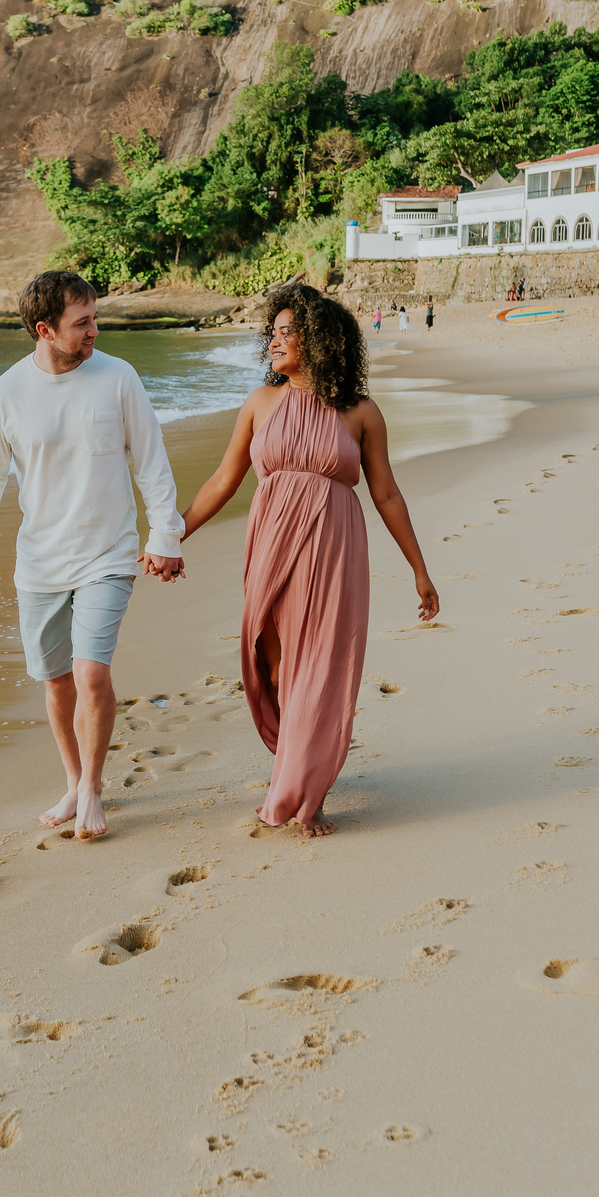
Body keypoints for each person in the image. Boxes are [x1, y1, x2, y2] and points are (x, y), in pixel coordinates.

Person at [179, 284, 438, 837]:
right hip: (272, 542)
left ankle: (306, 793)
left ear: (320, 340)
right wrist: (170, 535)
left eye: (286, 331)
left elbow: (386, 494)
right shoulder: (260, 403)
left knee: (319, 664)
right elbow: (224, 482)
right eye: (272, 332)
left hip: (334, 546)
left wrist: (419, 568)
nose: (274, 340)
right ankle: (291, 765)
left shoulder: (361, 413)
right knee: (269, 657)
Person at [0, 270, 185, 839]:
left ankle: (92, 789)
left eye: (93, 318)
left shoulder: (119, 377)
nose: (94, 331)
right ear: (45, 330)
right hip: (39, 560)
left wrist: (166, 535)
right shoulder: (6, 392)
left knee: (91, 673)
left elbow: (151, 463)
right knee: (56, 680)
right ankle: (72, 779)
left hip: (108, 553)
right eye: (81, 323)